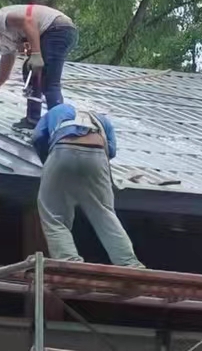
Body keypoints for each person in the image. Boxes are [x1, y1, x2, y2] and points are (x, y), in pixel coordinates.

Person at [31, 101, 143, 268]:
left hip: (62, 151)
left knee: (54, 215)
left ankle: (68, 261)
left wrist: (49, 164)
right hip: (97, 156)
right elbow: (111, 151)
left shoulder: (56, 111)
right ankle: (129, 264)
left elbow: (38, 136)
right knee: (104, 213)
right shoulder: (103, 120)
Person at [0, 3, 78, 128]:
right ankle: (33, 119)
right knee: (30, 69)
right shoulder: (5, 40)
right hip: (59, 31)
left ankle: (61, 127)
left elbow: (28, 21)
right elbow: (2, 76)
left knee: (49, 80)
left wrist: (36, 53)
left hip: (58, 28)